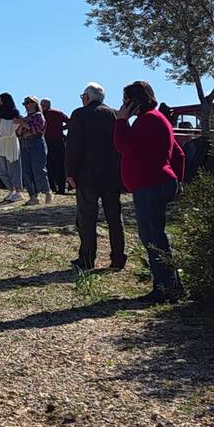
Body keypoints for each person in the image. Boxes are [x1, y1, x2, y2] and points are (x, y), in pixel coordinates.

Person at [114, 81, 186, 303]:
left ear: (135, 101)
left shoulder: (146, 120)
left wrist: (121, 121)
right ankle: (172, 286)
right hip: (160, 182)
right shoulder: (158, 118)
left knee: (152, 238)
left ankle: (165, 290)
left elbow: (122, 145)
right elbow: (179, 154)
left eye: (126, 100)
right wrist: (178, 181)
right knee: (158, 236)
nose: (123, 105)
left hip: (150, 185)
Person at [66, 82, 125, 272]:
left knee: (87, 218)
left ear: (87, 97)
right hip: (112, 175)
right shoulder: (116, 114)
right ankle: (118, 258)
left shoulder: (80, 114)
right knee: (114, 218)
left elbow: (73, 146)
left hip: (87, 175)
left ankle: (87, 258)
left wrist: (69, 173)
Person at [19, 96, 52, 204]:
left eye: (29, 102)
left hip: (36, 143)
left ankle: (47, 192)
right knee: (26, 171)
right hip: (24, 143)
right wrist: (22, 126)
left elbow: (36, 129)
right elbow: (18, 133)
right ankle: (33, 196)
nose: (27, 105)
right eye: (25, 103)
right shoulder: (25, 118)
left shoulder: (38, 116)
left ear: (35, 104)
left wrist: (24, 125)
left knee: (38, 169)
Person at [0, 93, 24, 202]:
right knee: (3, 168)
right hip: (2, 140)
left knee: (13, 166)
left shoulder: (14, 112)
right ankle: (11, 189)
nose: (0, 102)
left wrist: (1, 121)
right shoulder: (0, 113)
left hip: (11, 140)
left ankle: (18, 191)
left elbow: (16, 124)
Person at [41, 98, 70, 195]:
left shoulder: (41, 115)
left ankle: (52, 187)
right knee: (60, 165)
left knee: (48, 165)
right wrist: (61, 128)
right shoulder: (58, 113)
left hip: (46, 141)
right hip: (59, 141)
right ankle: (61, 188)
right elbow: (70, 122)